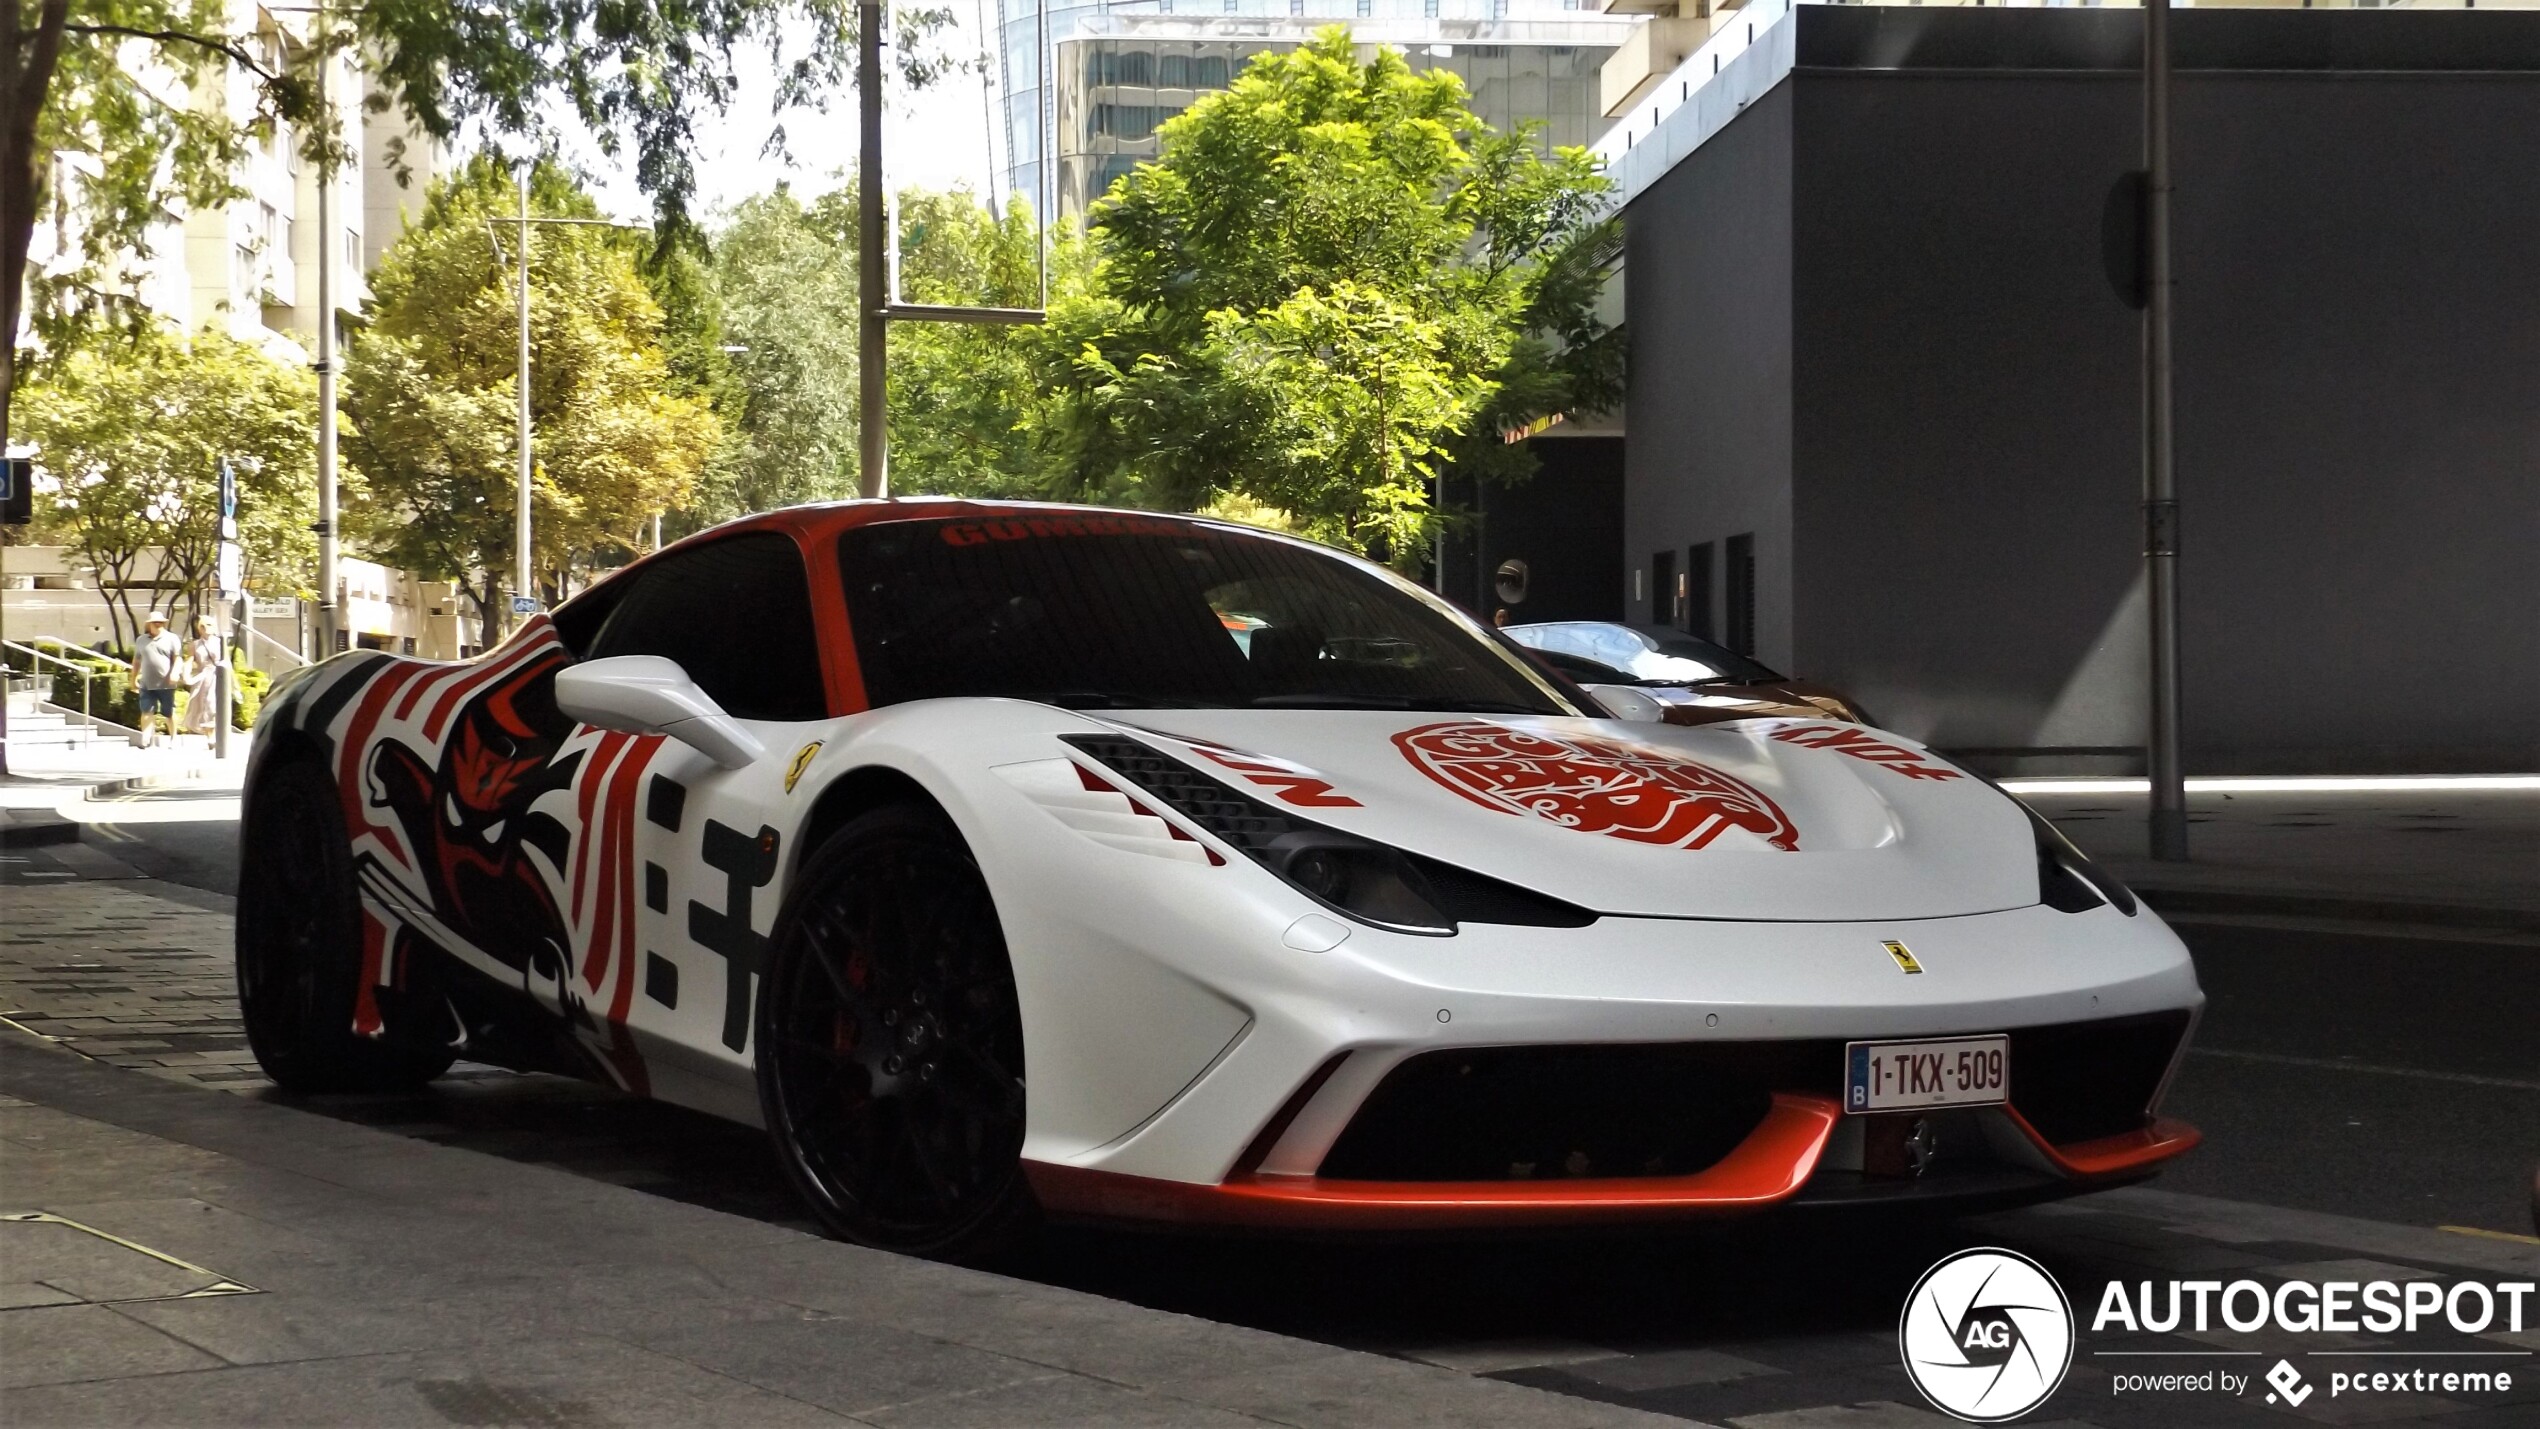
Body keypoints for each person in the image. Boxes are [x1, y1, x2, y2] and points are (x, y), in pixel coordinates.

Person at [130, 611, 183, 748]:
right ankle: (146, 737)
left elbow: (177, 659)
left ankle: (174, 737)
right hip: (147, 683)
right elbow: (136, 661)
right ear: (149, 624)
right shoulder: (141, 640)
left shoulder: (172, 638)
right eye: (155, 622)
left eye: (161, 622)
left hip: (166, 684)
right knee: (146, 710)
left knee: (169, 712)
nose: (158, 625)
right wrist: (133, 678)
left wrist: (175, 673)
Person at [181, 615, 225, 745]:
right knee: (205, 706)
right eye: (202, 626)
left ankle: (215, 734)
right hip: (203, 678)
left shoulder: (220, 642)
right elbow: (189, 661)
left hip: (219, 676)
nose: (205, 628)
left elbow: (226, 662)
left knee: (215, 706)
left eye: (209, 625)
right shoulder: (194, 644)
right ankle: (210, 737)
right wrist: (186, 676)